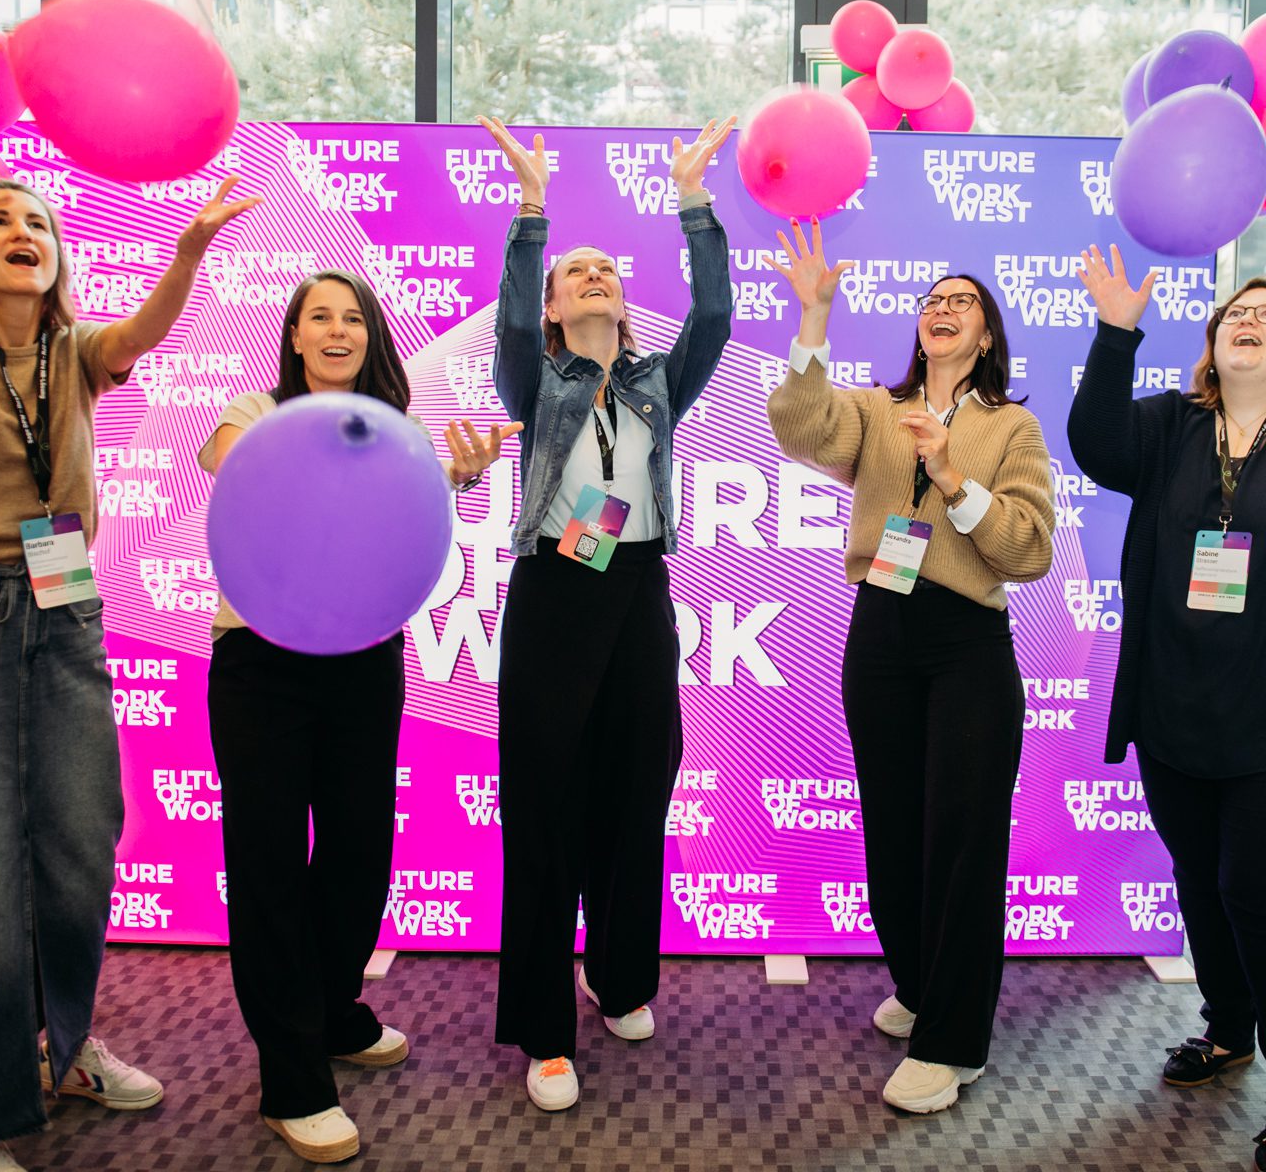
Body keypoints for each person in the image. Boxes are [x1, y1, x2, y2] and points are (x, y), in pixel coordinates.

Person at [199, 268, 518, 1162]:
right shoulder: (255, 411)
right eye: (320, 317)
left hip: (363, 659)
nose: (337, 330)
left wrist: (449, 473)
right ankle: (292, 1081)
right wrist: (298, 451)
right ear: (295, 336)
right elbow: (228, 460)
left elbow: (398, 511)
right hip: (261, 662)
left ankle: (332, 1012)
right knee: (268, 865)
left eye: (353, 318)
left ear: (371, 337)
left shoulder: (394, 430)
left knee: (358, 851)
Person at [0, 176, 258, 1172]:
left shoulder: (73, 351)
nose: (22, 231)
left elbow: (145, 330)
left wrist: (188, 250)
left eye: (38, 222)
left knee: (80, 849)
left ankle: (63, 1048)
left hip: (65, 605)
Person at [765, 217, 1054, 1114]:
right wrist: (813, 320)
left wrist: (956, 482)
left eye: (961, 301)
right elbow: (798, 427)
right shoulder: (875, 410)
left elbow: (1029, 549)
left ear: (987, 334)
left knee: (963, 840)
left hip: (967, 642)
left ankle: (953, 1042)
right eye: (932, 299)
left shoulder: (1013, 427)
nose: (942, 308)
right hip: (881, 631)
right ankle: (923, 984)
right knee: (893, 827)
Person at [476, 112, 734, 1111]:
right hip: (555, 593)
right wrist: (532, 210)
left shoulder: (656, 381)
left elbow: (714, 317)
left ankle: (618, 975)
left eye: (606, 271)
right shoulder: (534, 379)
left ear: (626, 306)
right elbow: (507, 328)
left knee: (637, 790)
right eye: (572, 273)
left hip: (638, 592)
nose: (593, 276)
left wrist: (694, 203)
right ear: (552, 309)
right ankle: (546, 1032)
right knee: (544, 809)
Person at [1070, 245, 1266, 1172]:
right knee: (1199, 879)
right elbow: (1094, 443)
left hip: (1260, 720)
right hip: (1173, 707)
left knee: (1251, 890)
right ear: (1212, 341)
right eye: (1238, 314)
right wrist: (1116, 333)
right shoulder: (1171, 426)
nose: (1251, 321)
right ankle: (1229, 1030)